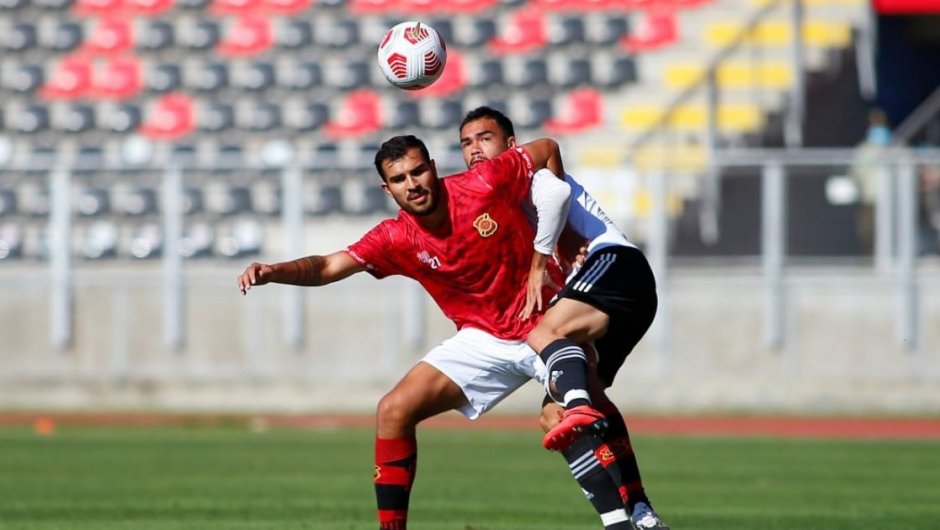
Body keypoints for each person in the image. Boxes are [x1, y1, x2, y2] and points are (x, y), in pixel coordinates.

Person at [238, 135, 636, 530]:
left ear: (433, 167)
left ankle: (630, 517)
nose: (412, 184)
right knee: (393, 410)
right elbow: (327, 266)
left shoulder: (483, 182)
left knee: (569, 418)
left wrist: (559, 241)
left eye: (418, 171)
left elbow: (547, 147)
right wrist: (275, 272)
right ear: (387, 188)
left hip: (546, 321)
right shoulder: (394, 237)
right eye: (399, 179)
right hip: (483, 337)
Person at [458, 106, 669, 530]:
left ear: (511, 145)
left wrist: (551, 252)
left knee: (549, 336)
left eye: (484, 138)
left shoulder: (526, 174)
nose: (475, 149)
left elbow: (553, 176)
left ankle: (578, 407)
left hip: (616, 265)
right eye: (466, 143)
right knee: (554, 413)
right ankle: (634, 516)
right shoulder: (492, 200)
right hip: (614, 300)